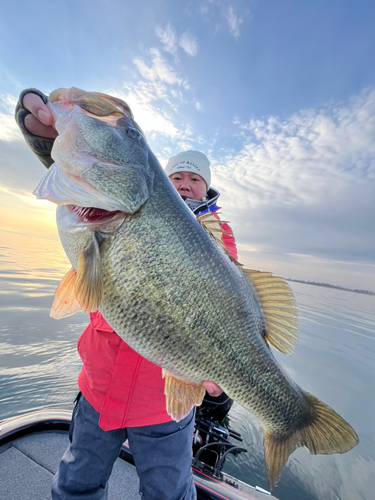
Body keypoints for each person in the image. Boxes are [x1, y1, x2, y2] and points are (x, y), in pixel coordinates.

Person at [15, 89, 238, 500]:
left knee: (168, 492)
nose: (185, 184)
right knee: (76, 483)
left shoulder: (218, 237)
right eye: (177, 178)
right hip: (98, 387)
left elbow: (230, 303)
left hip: (165, 405)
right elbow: (106, 190)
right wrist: (57, 149)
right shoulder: (119, 200)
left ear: (207, 189)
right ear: (162, 182)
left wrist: (228, 372)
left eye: (195, 178)